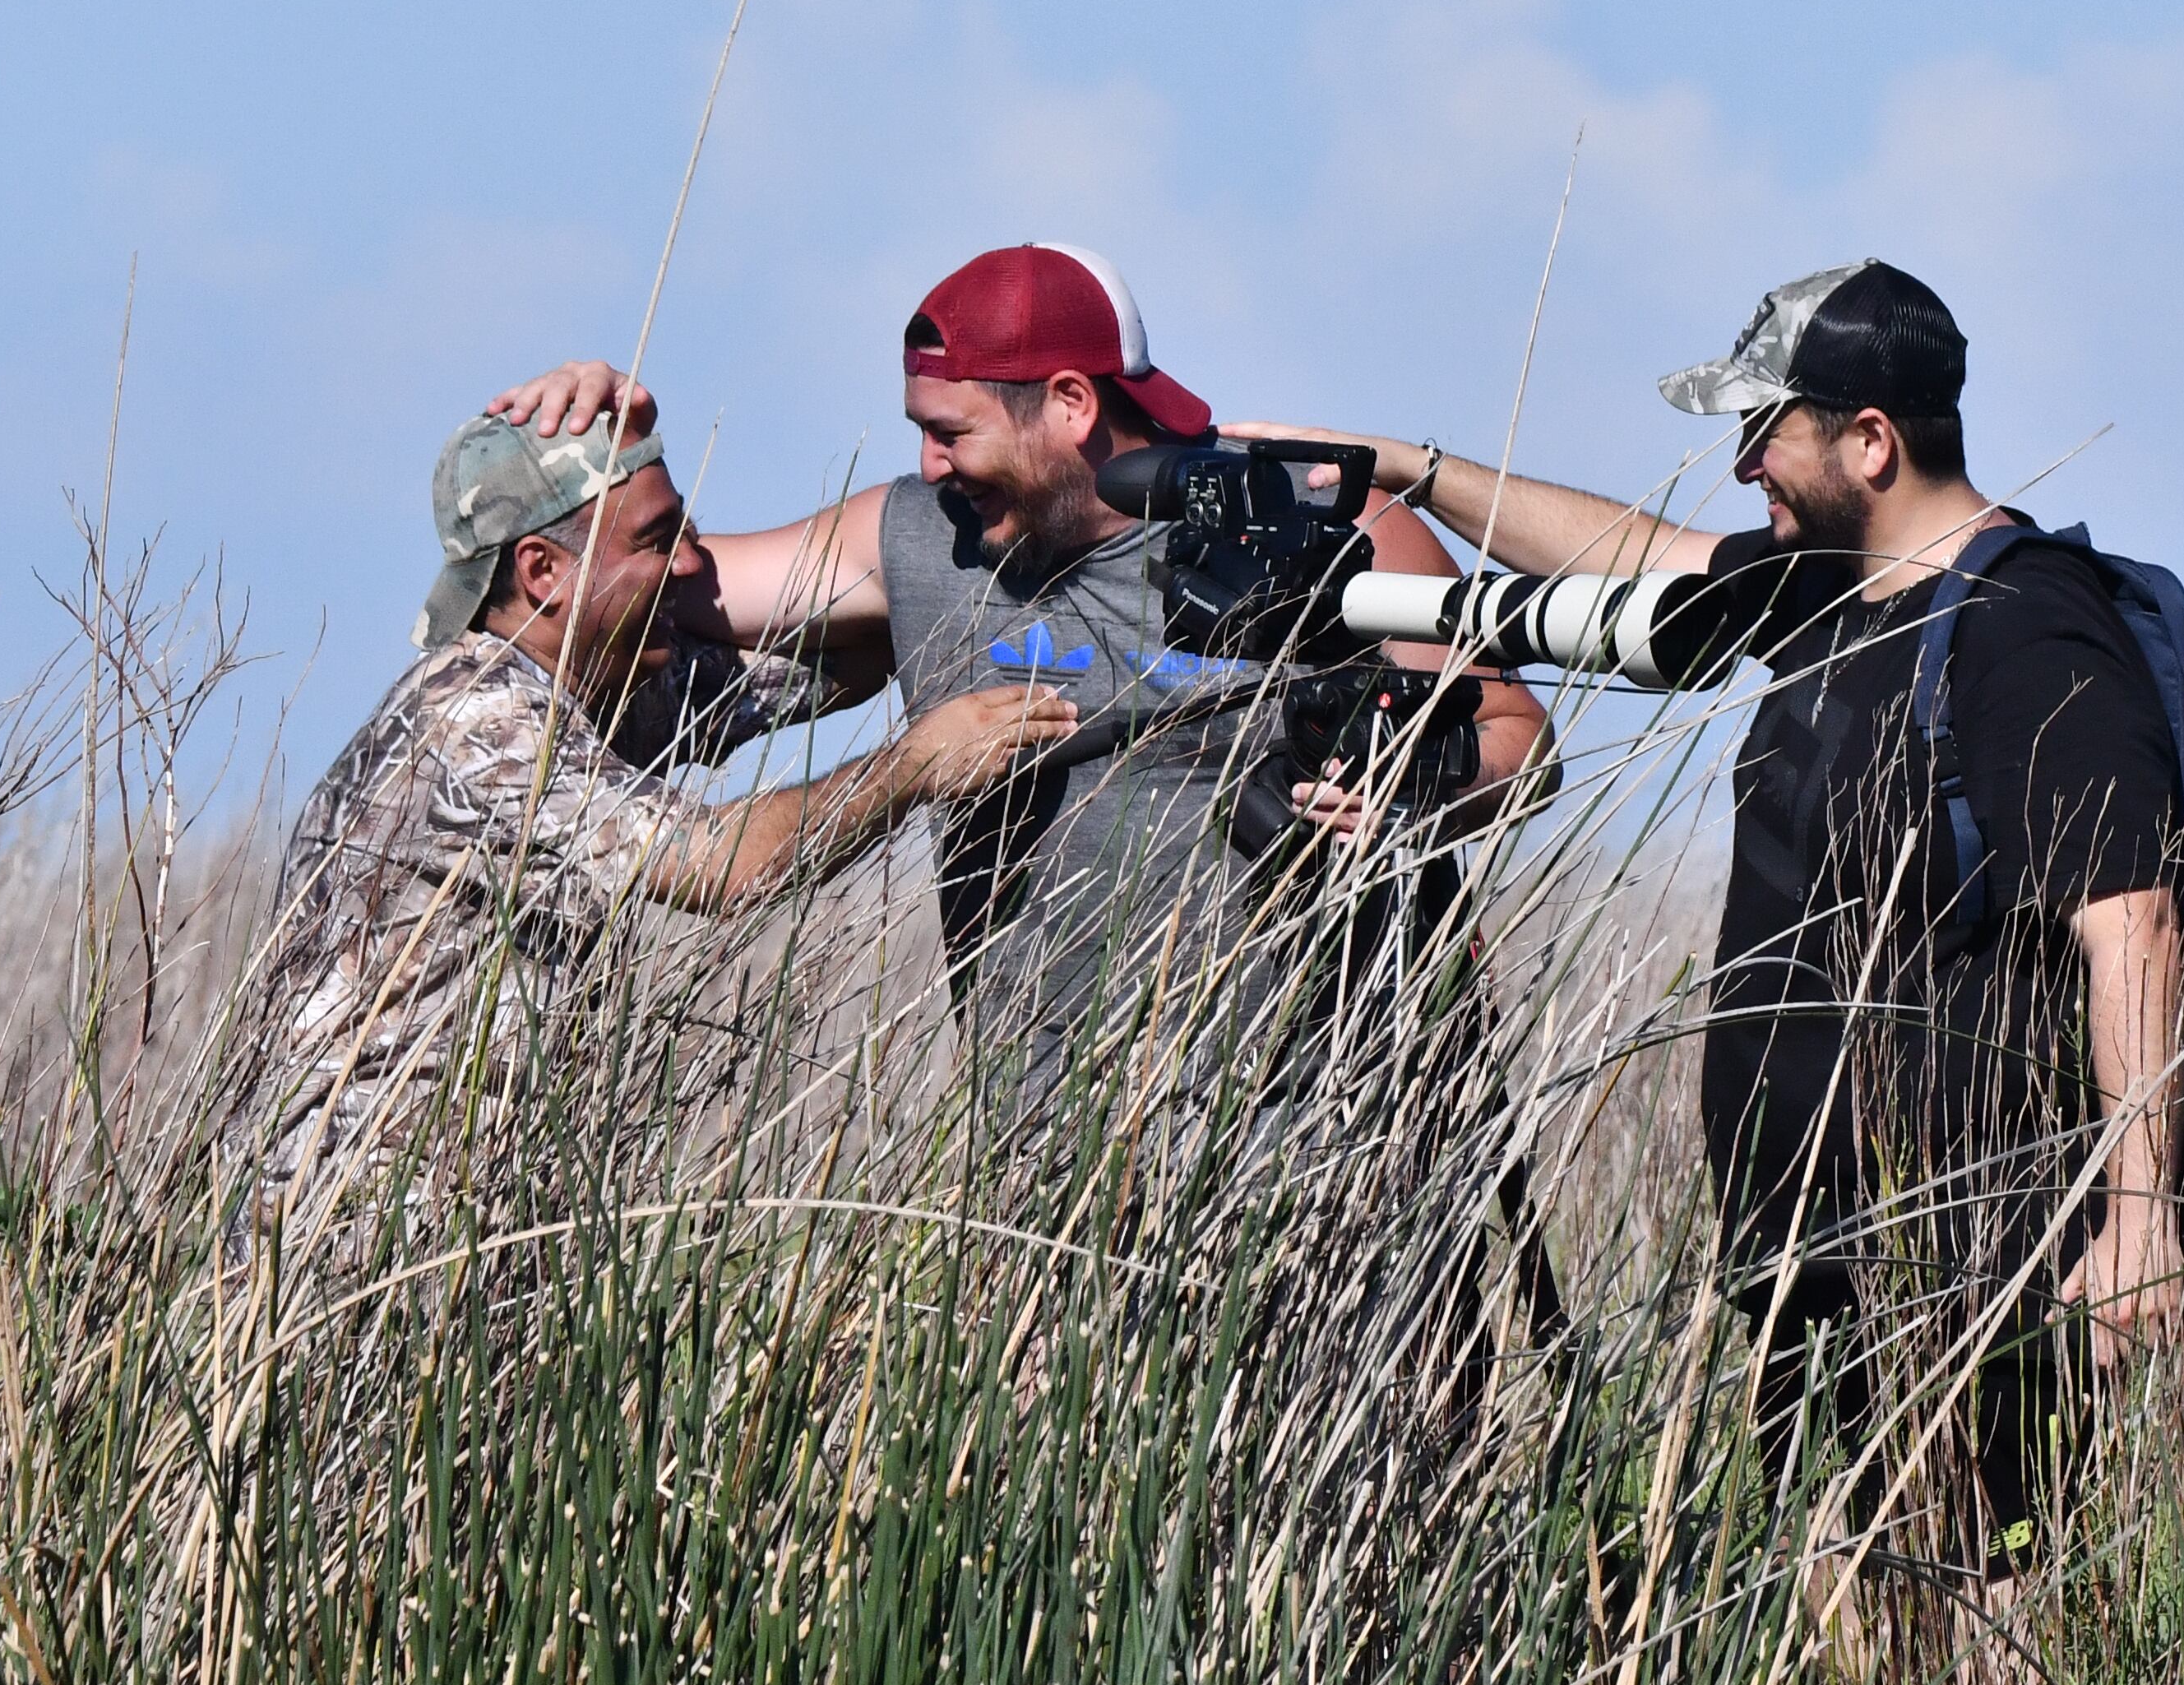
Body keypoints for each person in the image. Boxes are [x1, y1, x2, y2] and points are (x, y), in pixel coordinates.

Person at [1240, 259, 2184, 1572]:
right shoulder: (1831, 591)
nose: (1743, 465)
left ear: (1869, 440)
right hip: (1810, 1250)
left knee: (1979, 1625)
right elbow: (1634, 559)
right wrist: (1408, 468)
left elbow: (2131, 924)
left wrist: (2140, 1216)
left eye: (1765, 432)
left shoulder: (2024, 624)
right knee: (1844, 1631)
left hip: (1973, 1254)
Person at [488, 243, 1553, 1111]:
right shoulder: (909, 538)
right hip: (1050, 1193)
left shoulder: (1319, 525)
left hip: (1327, 1156)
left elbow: (1519, 740)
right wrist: (589, 441)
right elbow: (645, 579)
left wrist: (1414, 795)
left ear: (1071, 403)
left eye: (951, 433)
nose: (932, 466)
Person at [233, 410, 1077, 1257]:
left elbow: (830, 666)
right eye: (655, 539)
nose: (688, 564)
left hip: (434, 1220)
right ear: (543, 571)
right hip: (346, 1231)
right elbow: (723, 866)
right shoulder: (481, 718)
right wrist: (916, 766)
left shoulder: (589, 696)